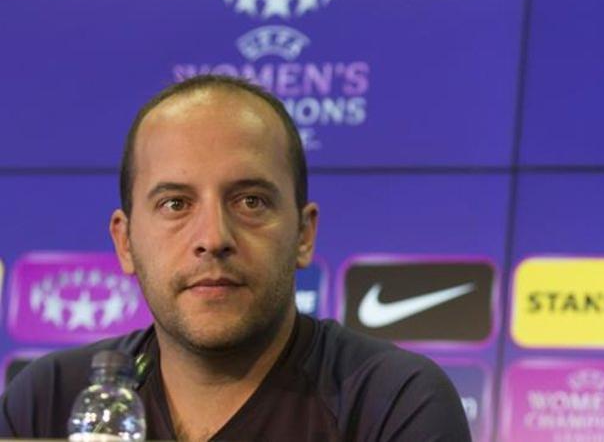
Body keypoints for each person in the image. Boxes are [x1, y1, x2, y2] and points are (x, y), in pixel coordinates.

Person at [0, 75, 472, 441]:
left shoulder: (390, 401)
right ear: (125, 242)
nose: (212, 237)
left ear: (304, 233)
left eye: (250, 201)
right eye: (175, 204)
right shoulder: (50, 400)